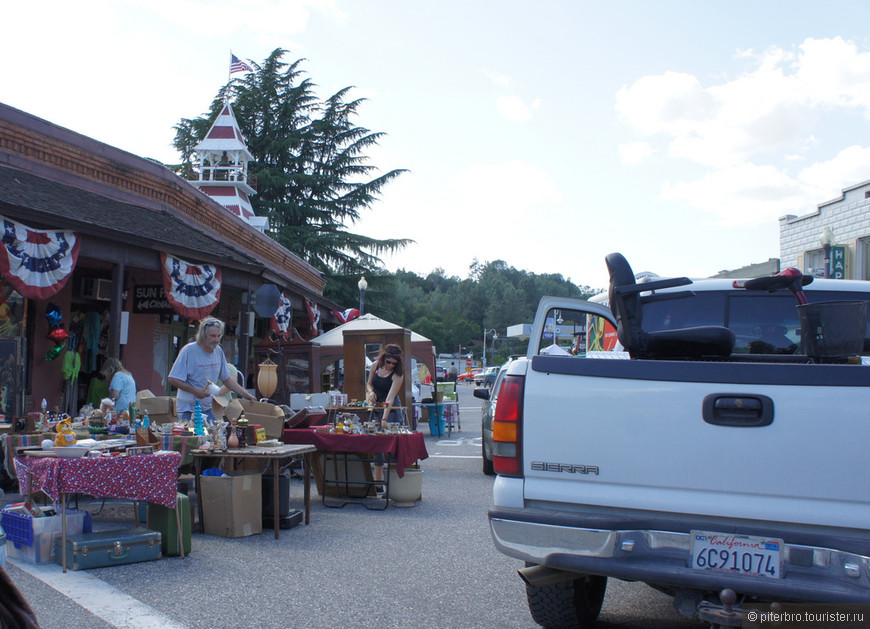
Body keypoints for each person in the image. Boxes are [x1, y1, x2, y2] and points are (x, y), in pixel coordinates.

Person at [168, 317, 256, 424]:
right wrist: (195, 391)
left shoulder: (218, 351)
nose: (217, 340)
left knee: (213, 436)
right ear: (203, 336)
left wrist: (246, 395)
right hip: (188, 408)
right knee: (191, 438)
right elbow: (173, 379)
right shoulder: (189, 350)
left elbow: (227, 379)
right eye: (212, 336)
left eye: (219, 336)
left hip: (206, 407)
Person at [365, 344, 405, 486]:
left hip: (391, 409)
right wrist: (371, 393)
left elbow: (390, 398)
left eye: (394, 364)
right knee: (376, 443)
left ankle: (396, 481)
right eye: (388, 362)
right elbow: (369, 384)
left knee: (392, 443)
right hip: (377, 405)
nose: (390, 366)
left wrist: (384, 418)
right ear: (384, 358)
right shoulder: (375, 365)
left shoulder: (397, 374)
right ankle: (378, 481)